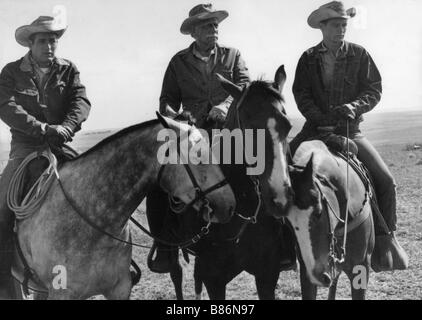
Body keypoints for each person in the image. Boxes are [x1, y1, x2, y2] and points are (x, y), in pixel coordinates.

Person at [291, 1, 407, 270]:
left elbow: (373, 90)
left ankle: (384, 243)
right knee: (283, 175)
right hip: (314, 131)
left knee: (386, 181)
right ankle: (284, 245)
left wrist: (354, 107)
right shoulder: (308, 59)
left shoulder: (359, 54)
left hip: (350, 130)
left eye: (344, 25)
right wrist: (321, 120)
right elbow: (301, 95)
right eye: (335, 25)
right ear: (323, 27)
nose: (341, 29)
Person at [148, 3, 250, 273]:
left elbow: (245, 88)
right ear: (193, 32)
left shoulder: (233, 55)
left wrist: (226, 106)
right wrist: (176, 116)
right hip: (192, 137)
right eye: (206, 25)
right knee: (159, 179)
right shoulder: (177, 62)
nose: (213, 29)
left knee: (262, 168)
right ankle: (165, 246)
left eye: (215, 24)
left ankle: (281, 241)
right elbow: (167, 101)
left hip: (229, 134)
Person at [0, 16, 91, 298]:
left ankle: (110, 267)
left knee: (97, 195)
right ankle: (4, 282)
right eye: (43, 40)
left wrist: (67, 127)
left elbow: (81, 101)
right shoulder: (12, 72)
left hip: (61, 147)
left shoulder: (68, 70)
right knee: (1, 210)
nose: (49, 45)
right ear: (31, 43)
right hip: (25, 151)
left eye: (53, 40)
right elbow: (6, 105)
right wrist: (41, 128)